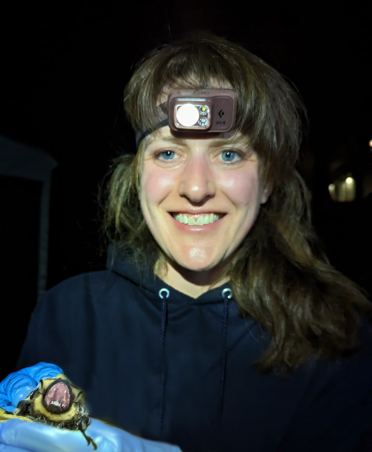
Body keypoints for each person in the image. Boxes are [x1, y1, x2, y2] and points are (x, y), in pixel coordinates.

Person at [2, 31, 372, 451]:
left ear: (267, 180)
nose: (196, 188)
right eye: (168, 153)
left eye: (228, 153)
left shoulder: (335, 342)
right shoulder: (68, 317)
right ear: (139, 173)